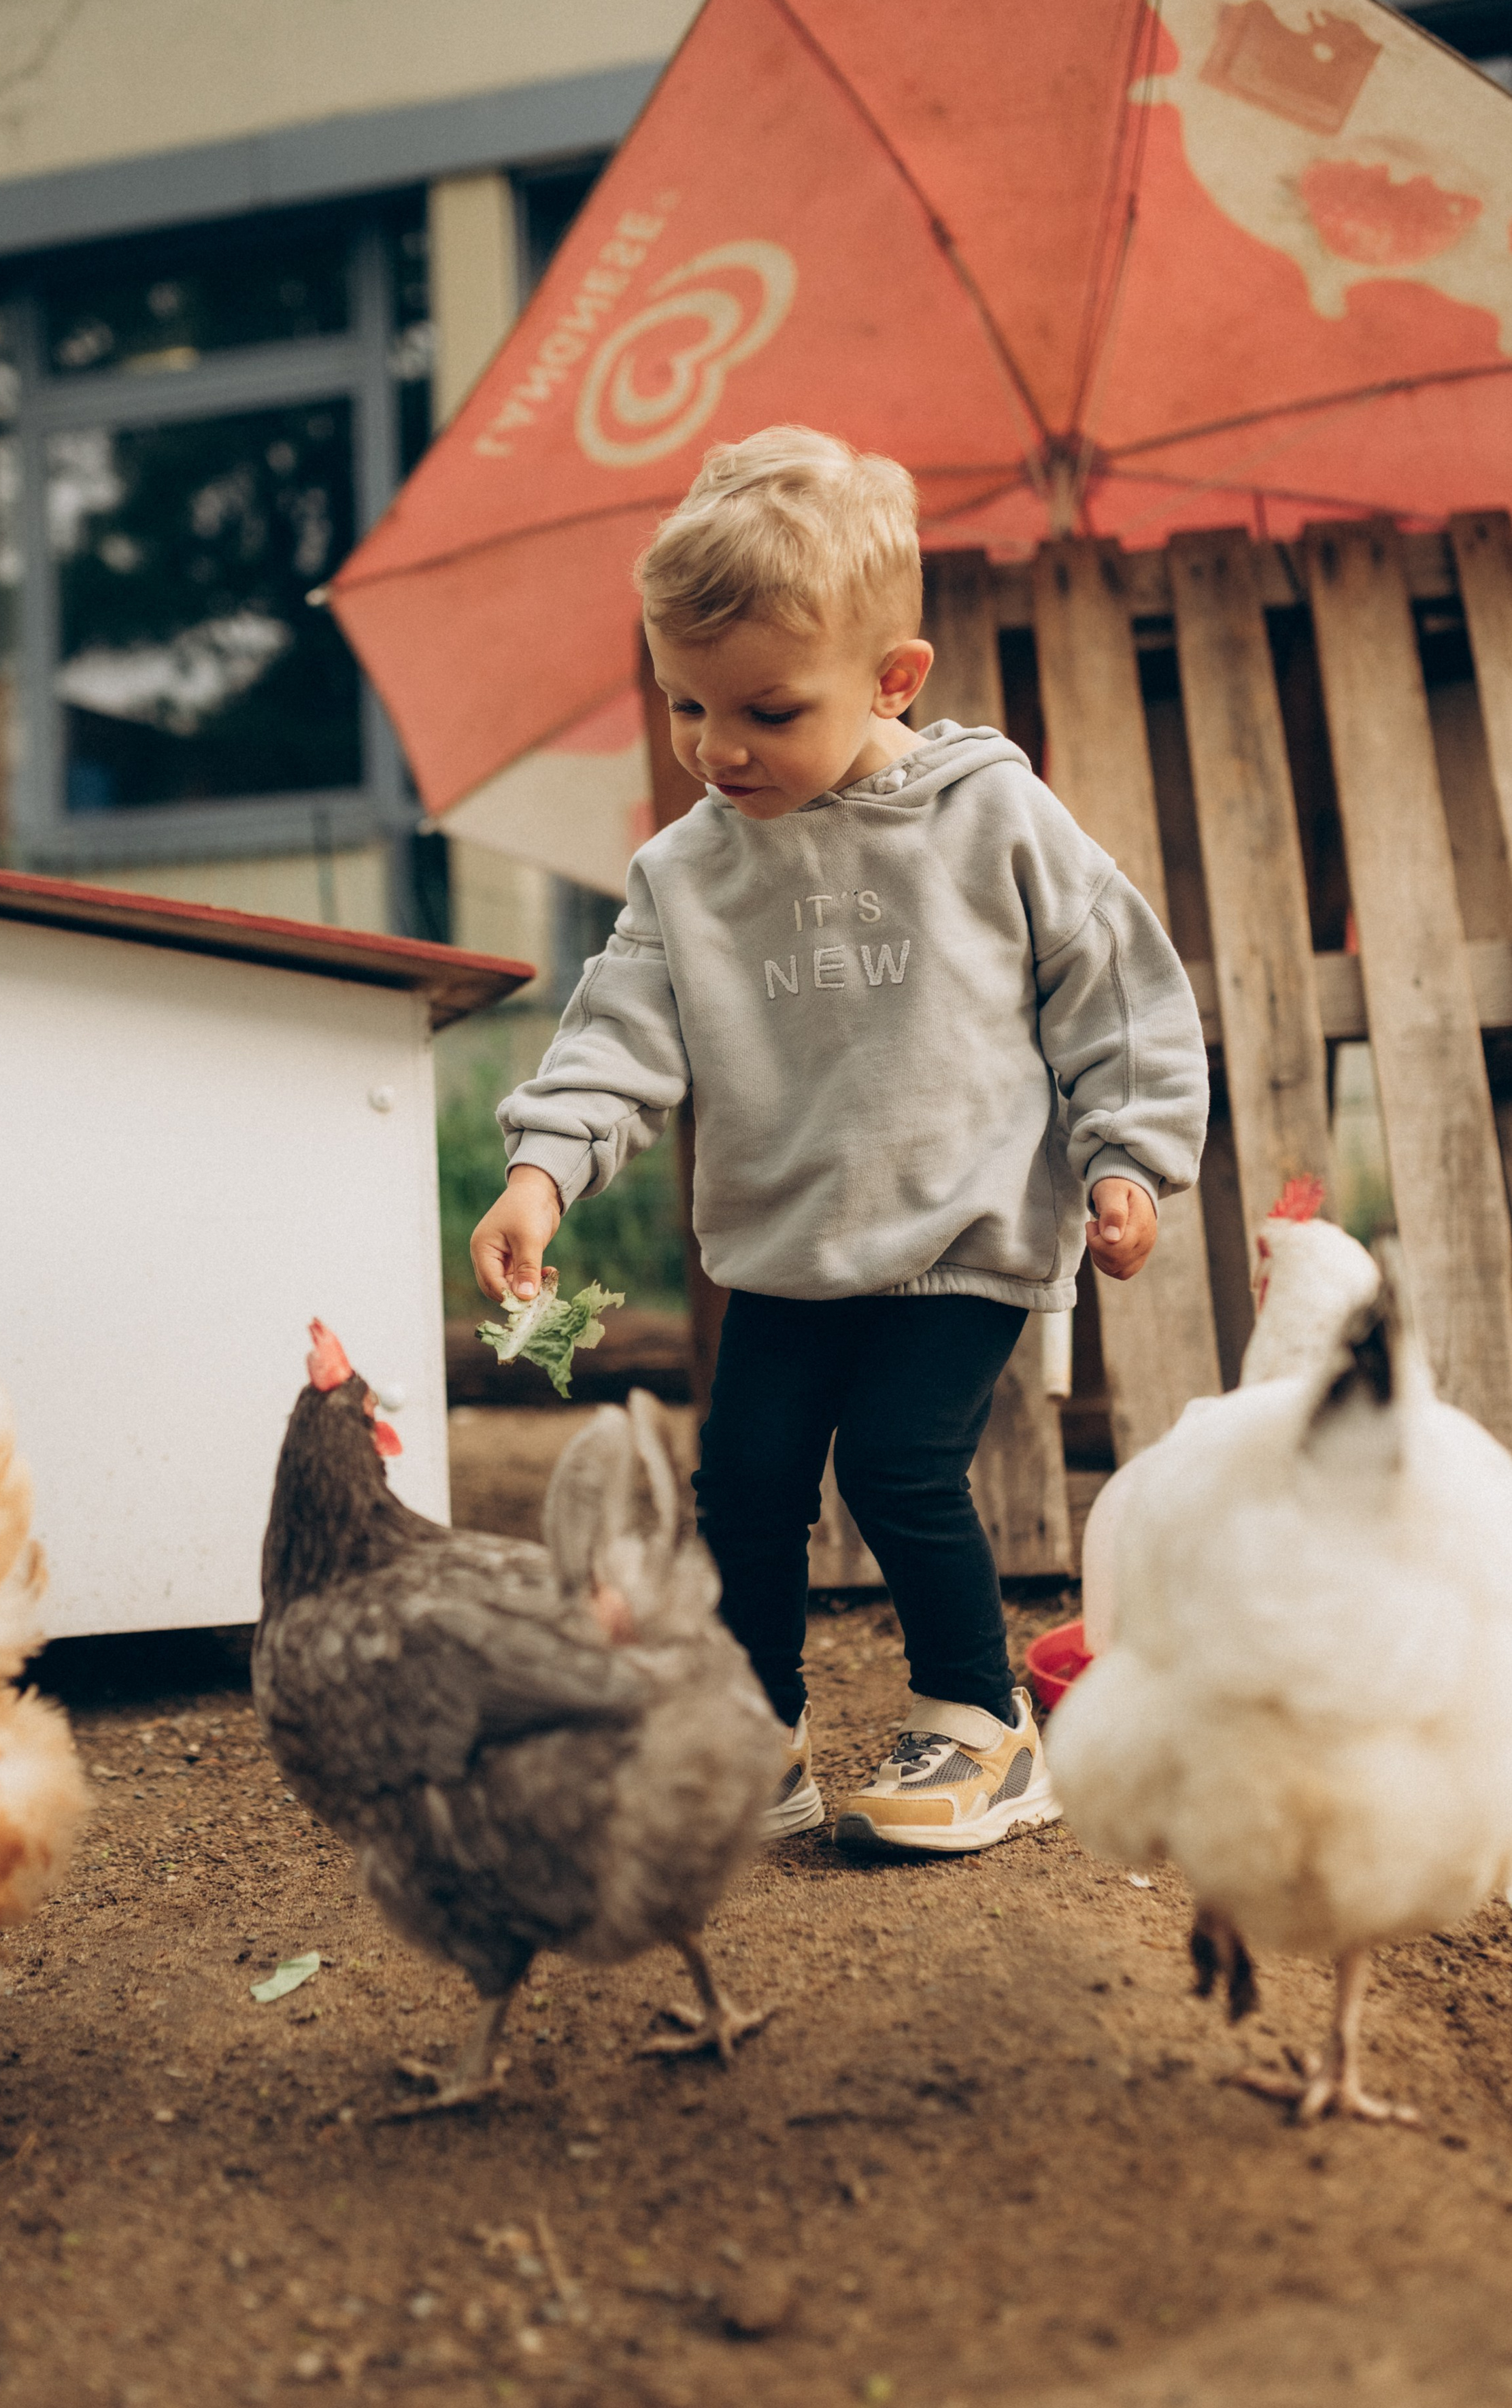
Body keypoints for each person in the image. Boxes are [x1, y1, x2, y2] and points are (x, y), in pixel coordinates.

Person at [469, 425, 1207, 1854]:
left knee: (893, 1463)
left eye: (763, 709)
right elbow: (617, 1028)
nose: (716, 747)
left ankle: (979, 1727)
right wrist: (537, 1173)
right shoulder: (688, 867)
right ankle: (757, 1733)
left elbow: (1108, 977)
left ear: (891, 679)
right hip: (789, 1244)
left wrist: (1125, 1152)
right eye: (685, 705)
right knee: (742, 1481)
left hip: (964, 1228)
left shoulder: (987, 812)